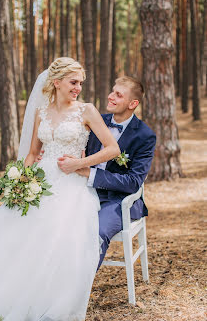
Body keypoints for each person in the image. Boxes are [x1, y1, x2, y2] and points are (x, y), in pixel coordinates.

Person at [0, 57, 120, 321]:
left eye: (80, 83)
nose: (78, 88)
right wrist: (21, 182)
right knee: (4, 232)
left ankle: (39, 305)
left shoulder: (86, 111)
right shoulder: (41, 112)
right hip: (40, 181)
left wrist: (79, 164)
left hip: (71, 184)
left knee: (49, 233)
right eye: (73, 82)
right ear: (56, 82)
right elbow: (32, 153)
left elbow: (113, 149)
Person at [58, 76, 156, 268]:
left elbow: (133, 183)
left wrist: (90, 174)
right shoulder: (95, 121)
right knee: (59, 223)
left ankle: (79, 288)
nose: (110, 96)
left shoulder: (145, 136)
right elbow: (73, 147)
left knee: (96, 232)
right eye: (112, 91)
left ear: (132, 103)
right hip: (83, 191)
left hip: (119, 200)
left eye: (118, 95)